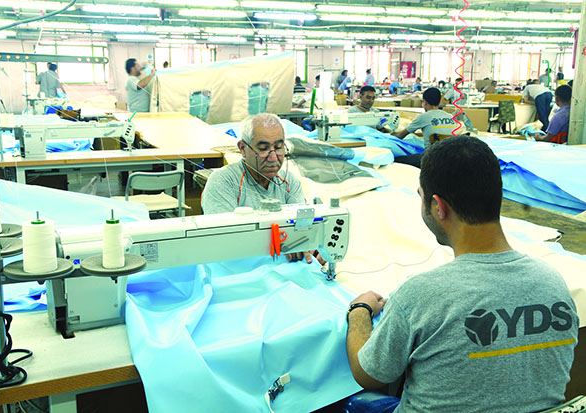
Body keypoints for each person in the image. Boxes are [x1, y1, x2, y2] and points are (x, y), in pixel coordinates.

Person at [345, 136, 578, 413]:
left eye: (421, 198)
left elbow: (369, 375)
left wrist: (359, 311)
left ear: (438, 207)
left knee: (359, 404)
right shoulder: (553, 283)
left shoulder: (420, 294)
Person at [201, 114, 321, 264]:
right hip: (238, 269)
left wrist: (311, 247)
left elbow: (301, 229)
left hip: (281, 267)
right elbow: (224, 238)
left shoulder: (289, 181)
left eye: (278, 147)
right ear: (243, 148)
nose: (273, 157)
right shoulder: (223, 182)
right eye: (263, 149)